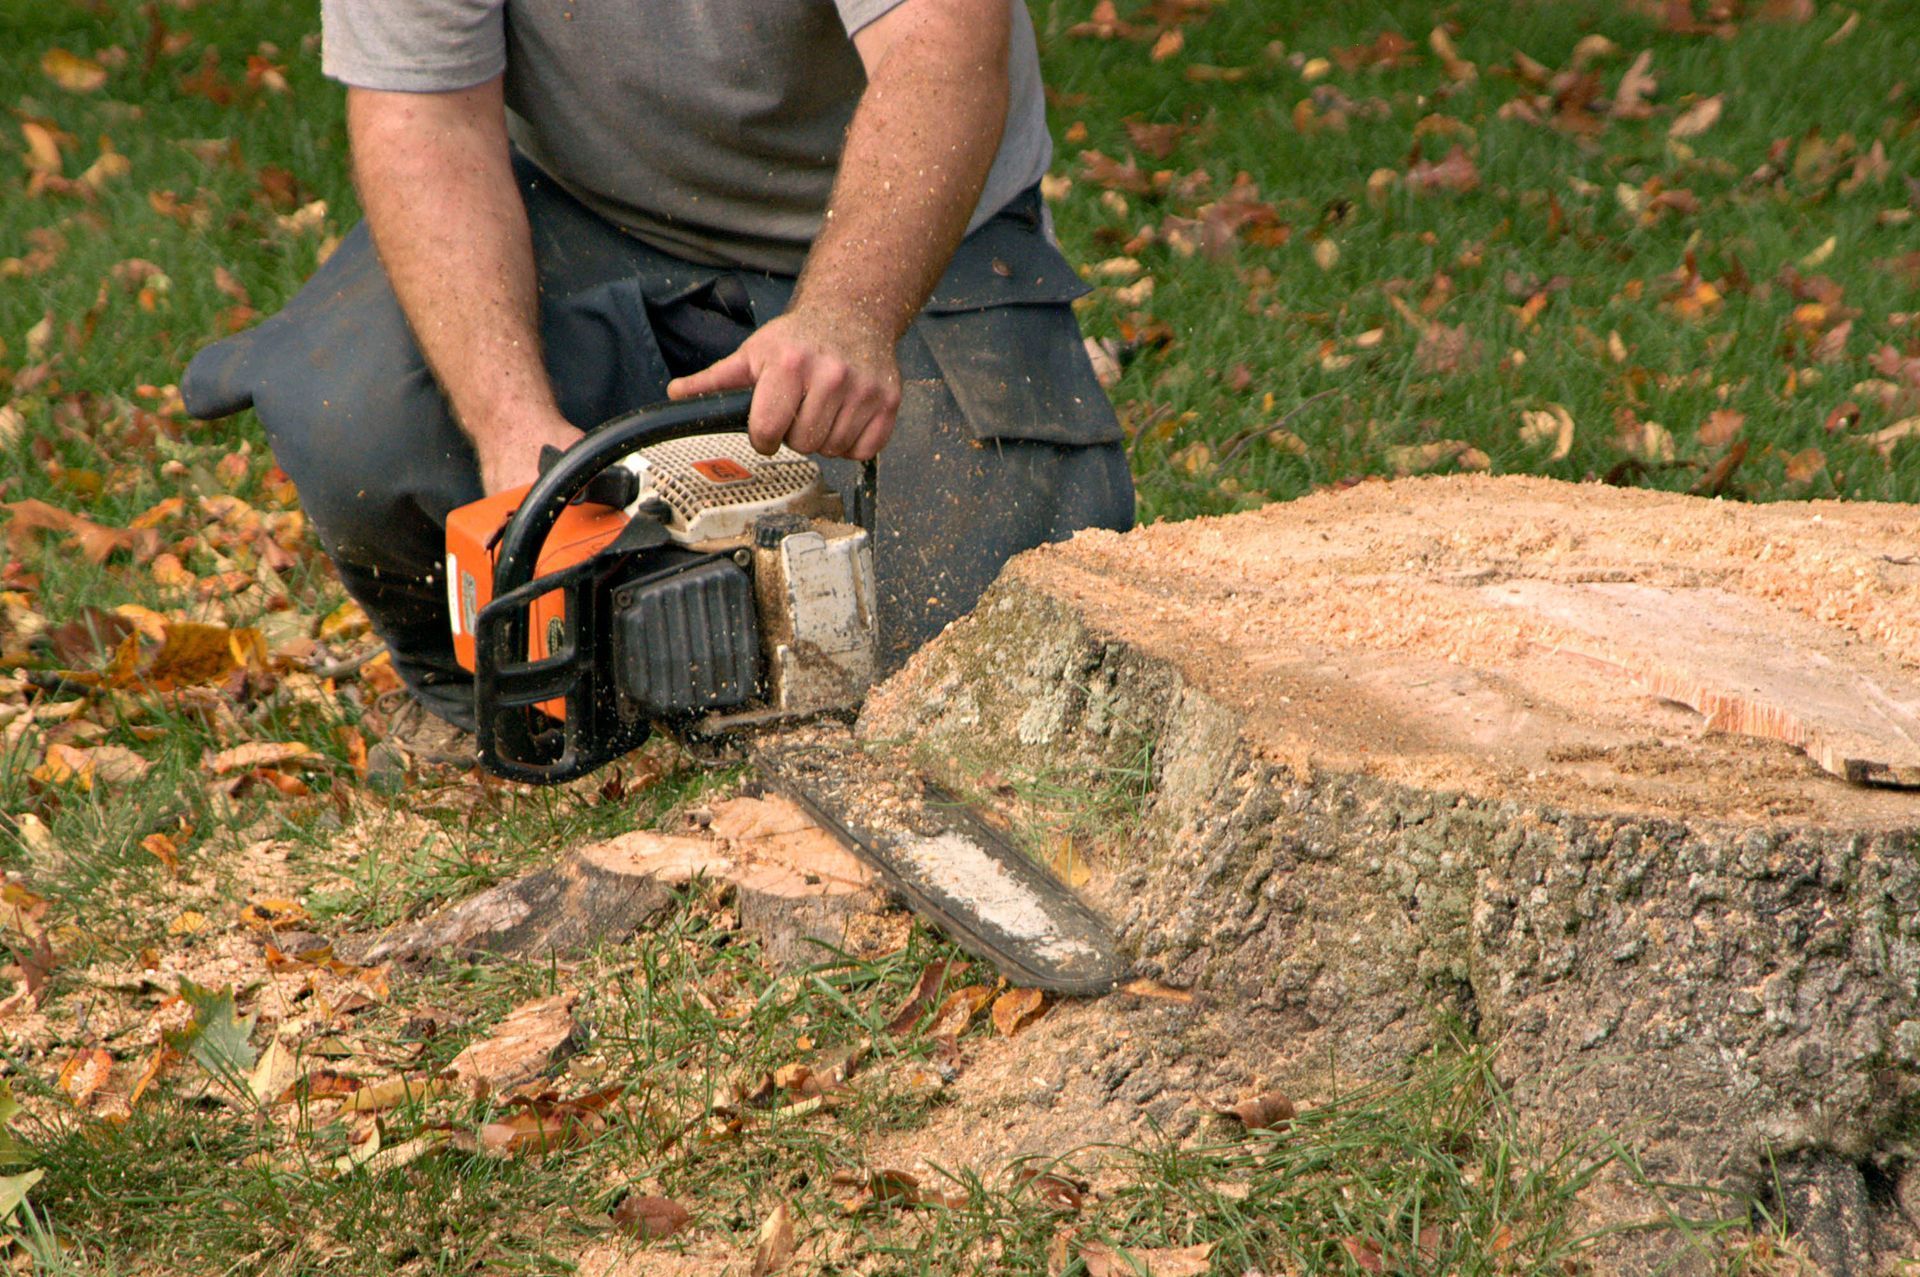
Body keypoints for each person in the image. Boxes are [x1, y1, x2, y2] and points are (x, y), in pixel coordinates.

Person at [181, 0, 1134, 733]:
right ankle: (499, 683)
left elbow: (943, 50)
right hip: (593, 212)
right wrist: (513, 429)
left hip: (911, 229)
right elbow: (419, 119)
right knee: (358, 420)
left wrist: (850, 313)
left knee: (986, 646)